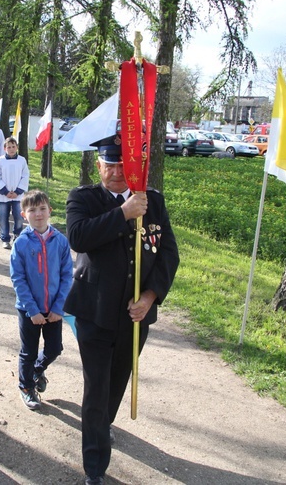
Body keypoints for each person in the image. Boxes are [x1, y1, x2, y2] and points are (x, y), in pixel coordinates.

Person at [64, 133, 179, 485]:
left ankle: (101, 427)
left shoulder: (153, 202)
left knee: (115, 385)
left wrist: (150, 297)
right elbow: (78, 237)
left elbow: (169, 255)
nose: (116, 172)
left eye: (123, 165)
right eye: (109, 164)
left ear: (135, 167)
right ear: (98, 165)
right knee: (97, 388)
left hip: (134, 318)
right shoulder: (84, 198)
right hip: (94, 313)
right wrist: (123, 213)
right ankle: (95, 466)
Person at [9, 190, 73, 410]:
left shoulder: (60, 241)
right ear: (24, 214)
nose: (38, 214)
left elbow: (67, 276)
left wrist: (58, 307)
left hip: (53, 309)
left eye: (42, 209)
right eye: (32, 210)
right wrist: (32, 310)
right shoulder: (21, 243)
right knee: (28, 350)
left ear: (50, 211)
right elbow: (18, 278)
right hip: (29, 310)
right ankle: (26, 387)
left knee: (54, 348)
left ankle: (38, 369)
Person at [0, 137, 29, 249]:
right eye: (9, 147)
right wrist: (5, 191)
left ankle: (17, 236)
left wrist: (18, 191)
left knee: (19, 217)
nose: (11, 149)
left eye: (13, 147)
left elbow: (25, 176)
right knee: (3, 217)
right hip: (4, 195)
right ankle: (5, 238)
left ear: (17, 147)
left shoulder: (22, 160)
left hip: (18, 196)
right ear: (5, 148)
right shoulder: (0, 160)